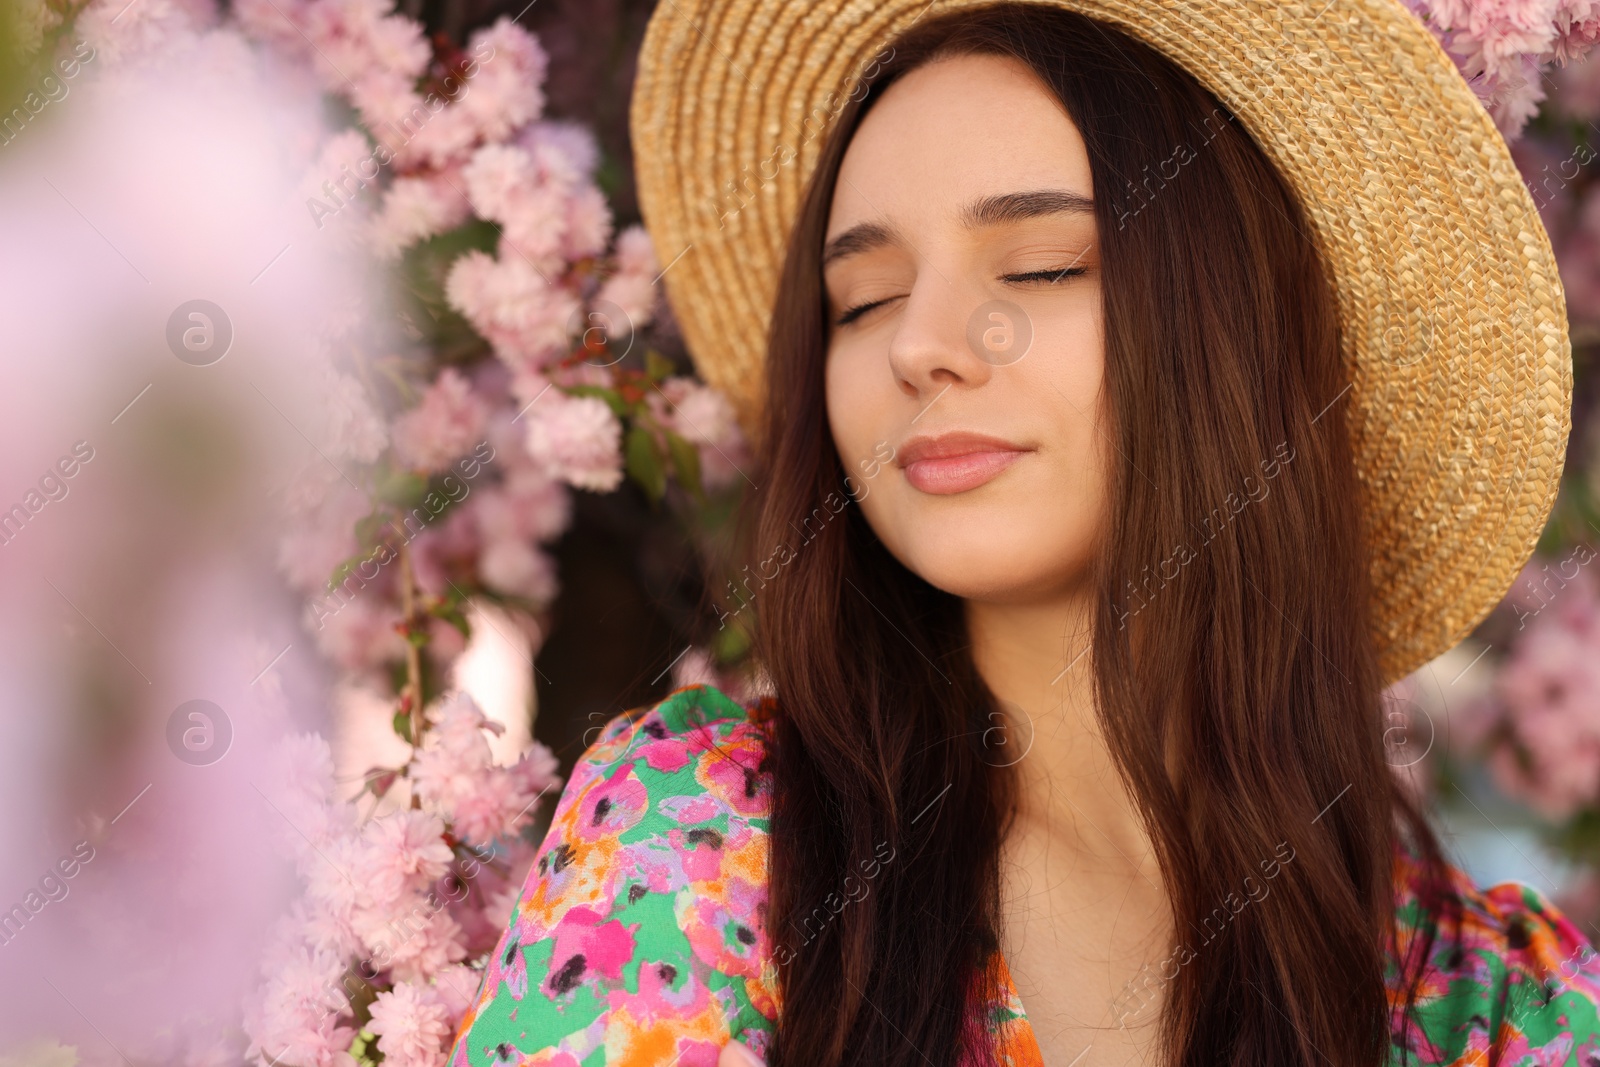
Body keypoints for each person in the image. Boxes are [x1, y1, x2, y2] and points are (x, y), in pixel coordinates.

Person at [447, 1, 1597, 1064]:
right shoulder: (702, 835)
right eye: (865, 299)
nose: (921, 345)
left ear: (1239, 333)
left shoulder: (1500, 1003)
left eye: (1040, 265)